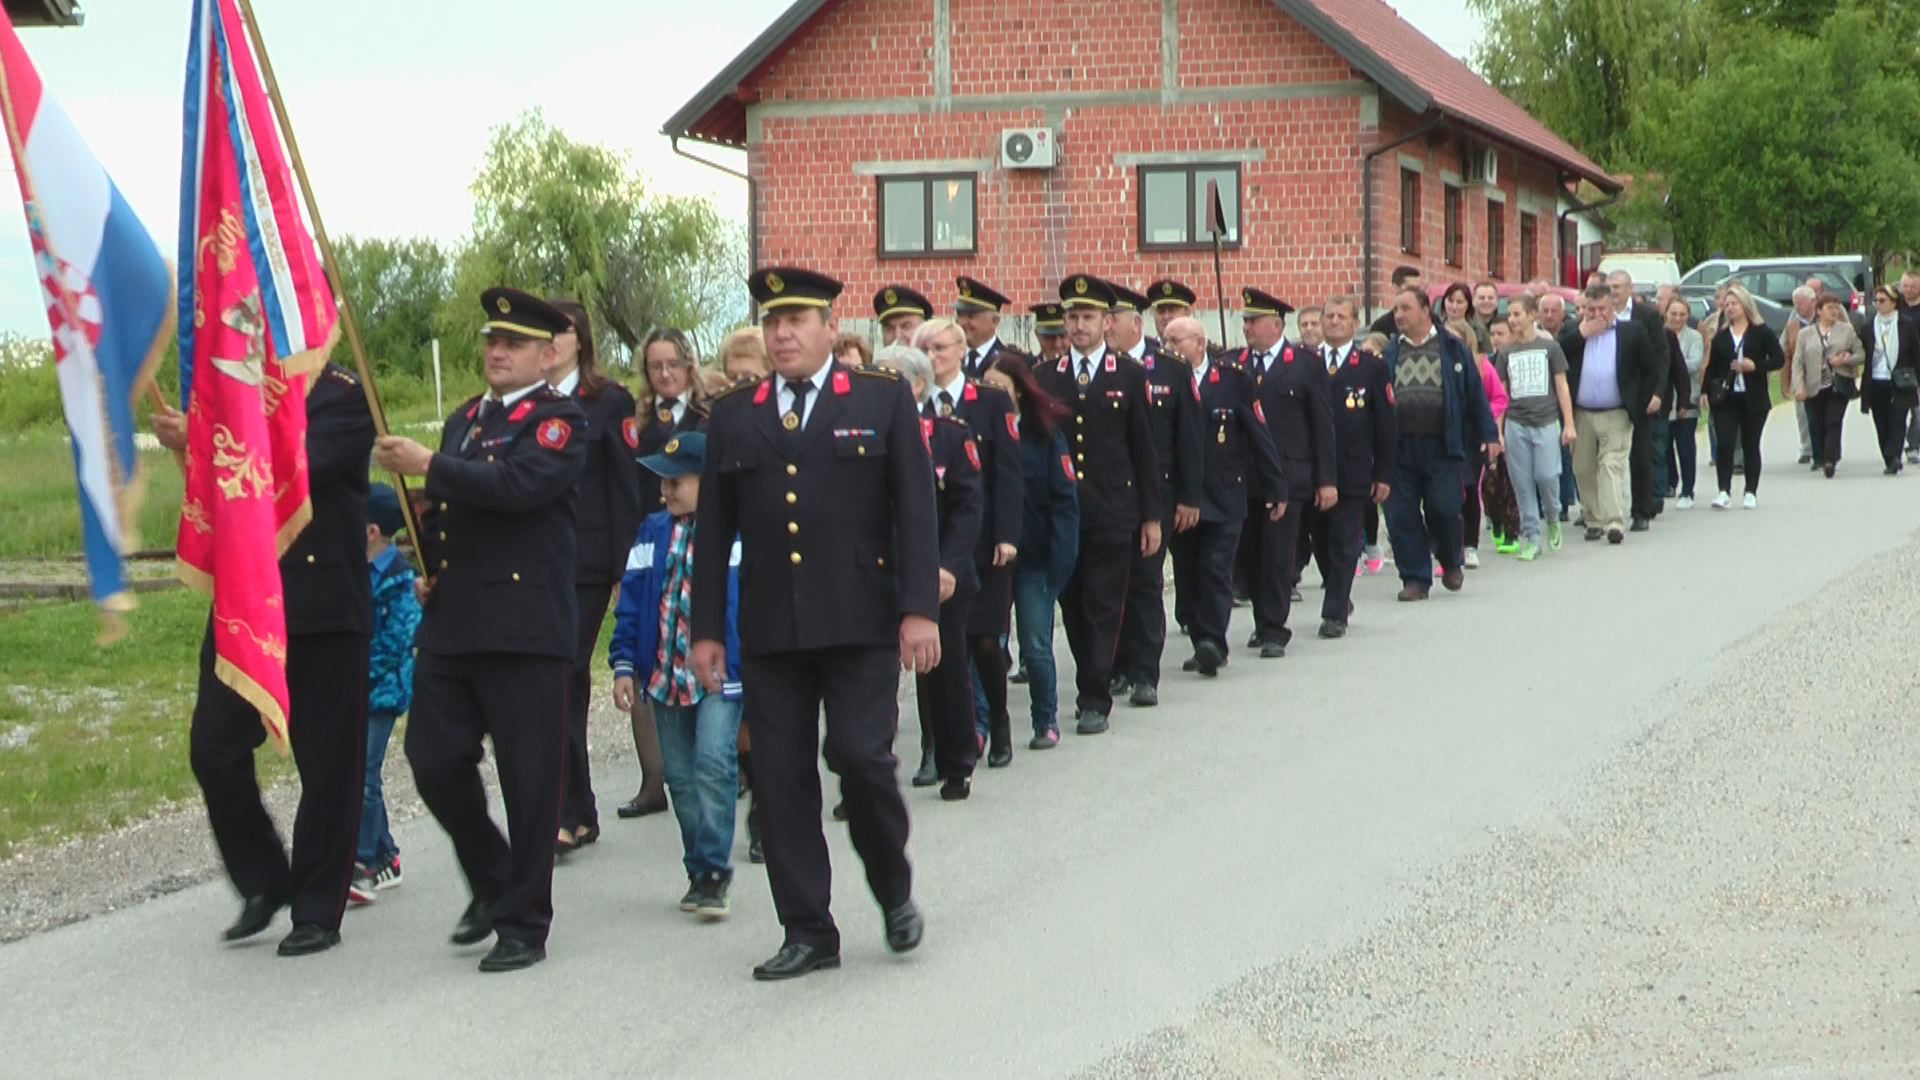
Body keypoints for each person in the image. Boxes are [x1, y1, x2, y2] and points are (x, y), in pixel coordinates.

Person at [690, 266, 937, 982]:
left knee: (861, 759)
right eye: (772, 322)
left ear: (831, 326)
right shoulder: (735, 415)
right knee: (779, 779)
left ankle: (892, 888)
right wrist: (707, 630)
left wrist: (919, 609)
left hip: (860, 617)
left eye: (796, 320)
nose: (782, 334)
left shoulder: (880, 398)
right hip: (772, 625)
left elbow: (915, 510)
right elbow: (713, 532)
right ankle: (807, 928)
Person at [373, 287, 587, 973]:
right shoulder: (465, 419)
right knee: (433, 758)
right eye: (492, 340)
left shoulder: (558, 420)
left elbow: (518, 488)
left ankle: (524, 923)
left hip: (524, 626)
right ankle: (495, 880)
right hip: (456, 620)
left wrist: (430, 466)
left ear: (546, 355)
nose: (498, 352)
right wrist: (432, 565)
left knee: (530, 781)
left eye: (514, 343)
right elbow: (449, 512)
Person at [153, 361, 375, 957]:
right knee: (213, 746)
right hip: (247, 602)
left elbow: (294, 470)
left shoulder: (343, 397)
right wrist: (192, 443)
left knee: (328, 766)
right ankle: (264, 877)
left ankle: (317, 908)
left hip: (323, 606)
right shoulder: (239, 387)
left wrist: (205, 441)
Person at [609, 432, 744, 919]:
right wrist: (625, 664)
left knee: (713, 763)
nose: (665, 491)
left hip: (721, 676)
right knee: (681, 777)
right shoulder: (652, 531)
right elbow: (631, 601)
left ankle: (714, 871)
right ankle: (698, 867)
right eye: (662, 482)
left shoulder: (738, 532)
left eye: (676, 481)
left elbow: (754, 603)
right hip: (665, 673)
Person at [1030, 274, 1161, 734]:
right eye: (1073, 317)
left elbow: (1144, 450)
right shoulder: (1045, 377)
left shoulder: (1129, 374)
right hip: (1064, 513)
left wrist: (1151, 516)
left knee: (1104, 605)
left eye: (1088, 317)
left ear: (1107, 322)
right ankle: (1091, 675)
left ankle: (1094, 698)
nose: (1079, 325)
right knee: (1073, 606)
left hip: (1113, 509)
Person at [548, 299, 642, 852]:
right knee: (562, 681)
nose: (550, 342)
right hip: (539, 564)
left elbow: (624, 490)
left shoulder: (608, 401)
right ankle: (579, 809)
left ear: (580, 340)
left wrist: (624, 570)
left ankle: (565, 811)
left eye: (559, 332)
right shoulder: (528, 403)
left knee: (564, 671)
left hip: (587, 562)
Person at [876, 342, 985, 798]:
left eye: (890, 378)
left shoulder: (948, 435)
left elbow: (967, 508)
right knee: (871, 679)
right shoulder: (861, 436)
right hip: (879, 572)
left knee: (945, 670)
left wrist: (948, 567)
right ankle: (868, 774)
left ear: (918, 385)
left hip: (939, 575)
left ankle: (956, 761)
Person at [909, 318, 1018, 774]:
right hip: (933, 549)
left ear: (960, 349)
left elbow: (1007, 470)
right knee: (931, 651)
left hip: (983, 544)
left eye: (940, 348)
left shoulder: (989, 400)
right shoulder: (911, 408)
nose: (933, 357)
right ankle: (934, 748)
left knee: (984, 642)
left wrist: (1007, 534)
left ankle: (998, 722)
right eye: (924, 350)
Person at [1164, 315, 1286, 672]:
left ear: (1200, 344)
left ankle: (1212, 642)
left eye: (1176, 342)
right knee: (1188, 573)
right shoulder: (1161, 381)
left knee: (1216, 569)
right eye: (1165, 341)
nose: (1169, 349)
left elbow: (1258, 433)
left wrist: (1276, 485)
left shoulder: (1233, 380)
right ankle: (1199, 637)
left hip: (1224, 493)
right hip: (1181, 498)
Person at [623, 329, 709, 821]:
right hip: (651, 540)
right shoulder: (638, 422)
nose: (664, 374)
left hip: (701, 538)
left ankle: (721, 771)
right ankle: (653, 777)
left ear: (688, 366)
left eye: (672, 364)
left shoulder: (705, 417)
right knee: (648, 654)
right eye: (655, 366)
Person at [1108, 281, 1201, 707]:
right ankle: (1117, 666)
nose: (1107, 326)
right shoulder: (1100, 369)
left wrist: (1189, 497)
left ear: (1135, 323)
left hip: (1157, 494)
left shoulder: (1168, 368)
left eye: (1113, 319)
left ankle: (1145, 673)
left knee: (1145, 583)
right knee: (1111, 585)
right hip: (1110, 495)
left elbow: (1189, 437)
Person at [1235, 287, 1335, 657]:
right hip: (1246, 475)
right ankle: (1262, 620)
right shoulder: (1235, 364)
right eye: (1245, 321)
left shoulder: (1304, 364)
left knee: (1278, 555)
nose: (1247, 327)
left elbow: (1322, 425)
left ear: (1276, 325)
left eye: (1254, 321)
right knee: (1249, 554)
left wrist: (1326, 479)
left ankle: (1274, 628)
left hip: (1289, 475)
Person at [1382, 286, 1499, 601]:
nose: (1399, 315)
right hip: (1400, 450)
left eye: (1405, 308)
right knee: (1400, 516)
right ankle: (1415, 579)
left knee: (1444, 509)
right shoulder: (1391, 352)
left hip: (1442, 447)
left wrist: (1489, 434)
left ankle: (1450, 560)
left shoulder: (1452, 348)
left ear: (1425, 310)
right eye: (1396, 309)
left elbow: (1475, 394)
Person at [984, 354, 1077, 749]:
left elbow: (1065, 502)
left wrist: (1061, 559)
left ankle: (1045, 719)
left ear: (1018, 391)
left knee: (1035, 643)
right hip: (990, 558)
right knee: (987, 644)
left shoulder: (1044, 436)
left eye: (998, 387)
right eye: (984, 387)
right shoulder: (976, 432)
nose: (990, 394)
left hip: (1035, 557)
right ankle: (983, 724)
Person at [349, 485, 421, 905]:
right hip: (357, 687)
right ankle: (386, 854)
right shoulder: (355, 570)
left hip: (383, 690)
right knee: (358, 770)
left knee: (365, 774)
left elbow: (397, 641)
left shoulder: (400, 578)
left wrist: (357, 671)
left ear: (372, 531)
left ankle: (362, 863)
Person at [1310, 298, 1393, 636]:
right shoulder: (1307, 362)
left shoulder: (1371, 367)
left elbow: (1385, 424)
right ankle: (1339, 592)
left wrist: (1383, 473)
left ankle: (1334, 613)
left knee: (1345, 540)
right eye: (1328, 316)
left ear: (1355, 324)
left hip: (1354, 469)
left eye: (1341, 317)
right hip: (1314, 470)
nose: (1333, 322)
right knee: (1320, 540)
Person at [1560, 284, 1660, 543]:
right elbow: (1556, 356)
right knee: (1583, 468)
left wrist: (1640, 401)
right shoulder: (1572, 331)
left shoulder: (1631, 331)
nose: (1597, 315)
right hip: (1581, 412)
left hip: (1616, 412)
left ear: (1612, 307)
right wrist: (1582, 334)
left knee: (1610, 465)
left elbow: (1651, 368)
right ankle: (1593, 519)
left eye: (1602, 309)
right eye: (1591, 310)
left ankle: (1614, 522)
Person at [1496, 295, 1574, 560]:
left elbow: (1562, 386)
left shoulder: (1550, 348)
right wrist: (1498, 431)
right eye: (1510, 315)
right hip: (1516, 423)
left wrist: (1569, 424)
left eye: (1517, 314)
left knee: (1547, 475)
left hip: (1546, 421)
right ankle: (1531, 536)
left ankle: (1552, 516)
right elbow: (1501, 395)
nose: (1512, 319)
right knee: (1522, 482)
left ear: (1532, 315)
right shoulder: (1506, 353)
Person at [1702, 284, 1785, 509]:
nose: (1730, 308)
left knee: (1750, 444)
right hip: (1726, 399)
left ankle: (1750, 491)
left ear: (1745, 305)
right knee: (1725, 444)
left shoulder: (1761, 332)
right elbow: (1712, 367)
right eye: (1727, 305)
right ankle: (1723, 491)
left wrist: (1755, 366)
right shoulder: (1721, 336)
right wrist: (1705, 391)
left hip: (1753, 398)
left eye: (1734, 304)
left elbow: (1778, 359)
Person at [1606, 270, 1672, 529]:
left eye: (1618, 286)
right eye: (1611, 286)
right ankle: (1602, 510)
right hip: (1611, 393)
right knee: (1606, 457)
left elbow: (1661, 355)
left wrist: (1658, 392)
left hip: (1641, 393)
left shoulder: (1647, 315)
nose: (1614, 292)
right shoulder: (1602, 315)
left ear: (1630, 288)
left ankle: (1641, 510)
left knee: (1641, 454)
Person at [1451, 316, 1510, 568]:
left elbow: (1499, 398)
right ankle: (1448, 543)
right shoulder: (1436, 363)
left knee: (1469, 489)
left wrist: (1487, 423)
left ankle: (1470, 546)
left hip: (1473, 436)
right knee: (1447, 492)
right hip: (1446, 435)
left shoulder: (1482, 365)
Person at [1793, 292, 1862, 479]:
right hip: (1814, 385)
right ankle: (1819, 457)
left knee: (1833, 421)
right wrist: (1799, 386)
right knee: (1815, 423)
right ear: (1819, 311)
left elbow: (1860, 354)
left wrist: (1846, 360)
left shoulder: (1846, 330)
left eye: (1836, 307)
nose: (1834, 311)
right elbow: (1798, 362)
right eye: (1829, 307)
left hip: (1838, 383)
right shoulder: (1805, 334)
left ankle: (1830, 459)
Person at [1863, 284, 1919, 474]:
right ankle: (1889, 458)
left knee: (1898, 419)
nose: (1878, 304)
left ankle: (1894, 455)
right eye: (1876, 301)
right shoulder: (1868, 326)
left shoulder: (1906, 324)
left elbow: (1916, 353)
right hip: (1876, 380)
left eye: (1882, 300)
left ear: (1894, 303)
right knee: (1881, 421)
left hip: (1900, 379)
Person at [1661, 296, 1705, 508]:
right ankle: (1670, 482)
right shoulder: (1660, 335)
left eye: (1682, 314)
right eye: (1673, 314)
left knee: (1685, 447)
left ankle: (1688, 490)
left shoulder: (1694, 337)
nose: (1677, 318)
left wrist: (1670, 365)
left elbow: (1695, 364)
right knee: (1664, 445)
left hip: (1687, 399)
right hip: (1665, 400)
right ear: (1666, 314)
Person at [954, 276, 1026, 378]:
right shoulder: (949, 359)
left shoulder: (1015, 363)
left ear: (995, 321)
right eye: (960, 315)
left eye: (971, 316)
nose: (963, 322)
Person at [1781, 285, 1819, 468]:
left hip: (1822, 374)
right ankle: (1807, 448)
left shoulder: (1823, 320)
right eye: (1795, 303)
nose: (1797, 307)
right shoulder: (1792, 326)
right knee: (1802, 413)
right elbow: (1786, 353)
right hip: (1800, 375)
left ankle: (1825, 447)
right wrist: (1785, 382)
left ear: (1812, 302)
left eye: (1801, 303)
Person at [1370, 265, 1422, 336]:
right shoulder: (1382, 326)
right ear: (1396, 288)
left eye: (1418, 289)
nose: (1415, 293)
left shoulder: (1431, 321)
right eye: (1410, 288)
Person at [1440, 283, 1486, 354]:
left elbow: (1486, 358)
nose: (1454, 306)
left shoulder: (1479, 331)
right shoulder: (1436, 326)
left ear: (1468, 304)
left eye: (1459, 302)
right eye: (1450, 301)